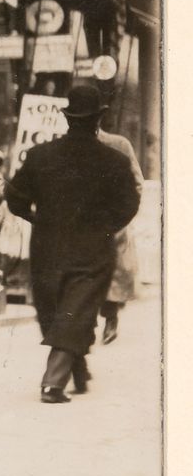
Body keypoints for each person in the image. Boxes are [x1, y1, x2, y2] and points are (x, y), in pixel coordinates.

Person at [4, 83, 141, 403]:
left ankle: (65, 373)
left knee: (54, 311)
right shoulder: (114, 161)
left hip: (47, 249)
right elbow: (129, 204)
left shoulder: (40, 156)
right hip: (93, 250)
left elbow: (14, 198)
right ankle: (55, 382)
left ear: (66, 118)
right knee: (76, 311)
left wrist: (38, 220)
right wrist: (107, 228)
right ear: (98, 119)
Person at [95, 119, 143, 345]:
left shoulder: (119, 144)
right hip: (81, 222)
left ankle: (110, 318)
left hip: (113, 221)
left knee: (113, 272)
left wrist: (122, 214)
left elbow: (137, 183)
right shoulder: (70, 144)